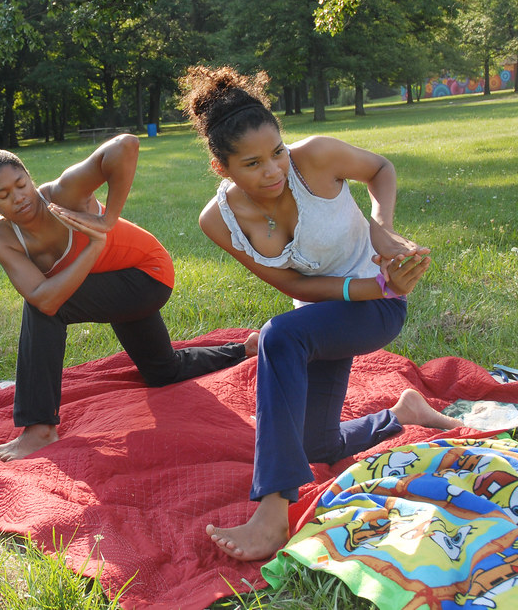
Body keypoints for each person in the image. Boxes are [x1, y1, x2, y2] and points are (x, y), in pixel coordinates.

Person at [179, 66, 463, 561]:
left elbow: (381, 169)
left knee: (278, 336)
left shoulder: (318, 157)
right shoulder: (217, 219)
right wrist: (366, 285)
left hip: (379, 307)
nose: (273, 170)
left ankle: (272, 508)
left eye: (277, 153)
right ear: (222, 168)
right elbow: (292, 283)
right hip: (324, 316)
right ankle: (401, 413)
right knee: (314, 444)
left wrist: (384, 233)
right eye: (252, 164)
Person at [0, 134, 257, 461]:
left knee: (43, 309)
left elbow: (125, 146)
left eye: (21, 184)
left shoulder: (65, 194)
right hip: (110, 285)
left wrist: (109, 219)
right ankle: (243, 350)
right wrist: (93, 247)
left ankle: (39, 429)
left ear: (29, 177)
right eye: (4, 195)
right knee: (162, 372)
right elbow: (41, 294)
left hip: (146, 275)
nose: (19, 197)